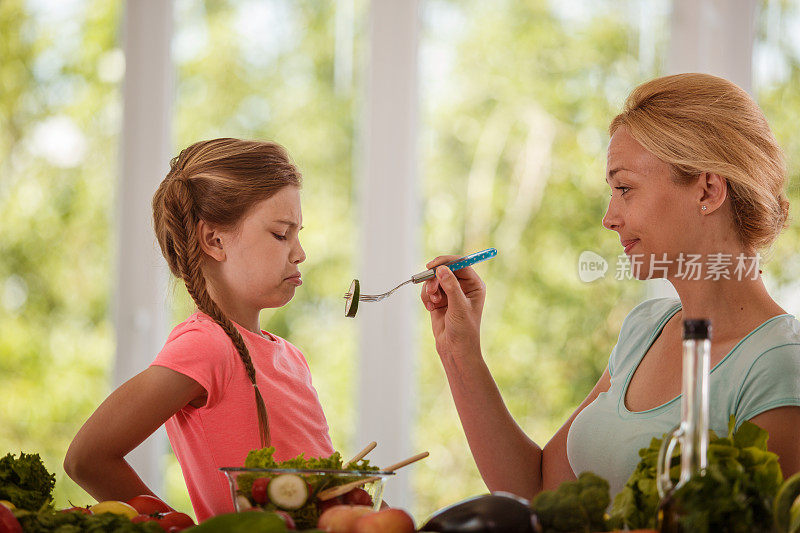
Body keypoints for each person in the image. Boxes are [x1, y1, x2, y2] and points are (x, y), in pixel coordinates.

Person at [420, 73, 800, 501]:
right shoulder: (645, 329)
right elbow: (538, 489)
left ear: (708, 190)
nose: (609, 217)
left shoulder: (778, 367)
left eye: (624, 188)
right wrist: (459, 351)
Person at [64, 138, 333, 521]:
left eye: (298, 233)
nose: (300, 252)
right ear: (214, 240)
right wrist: (177, 527)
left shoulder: (291, 357)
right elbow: (87, 459)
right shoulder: (207, 346)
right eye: (280, 234)